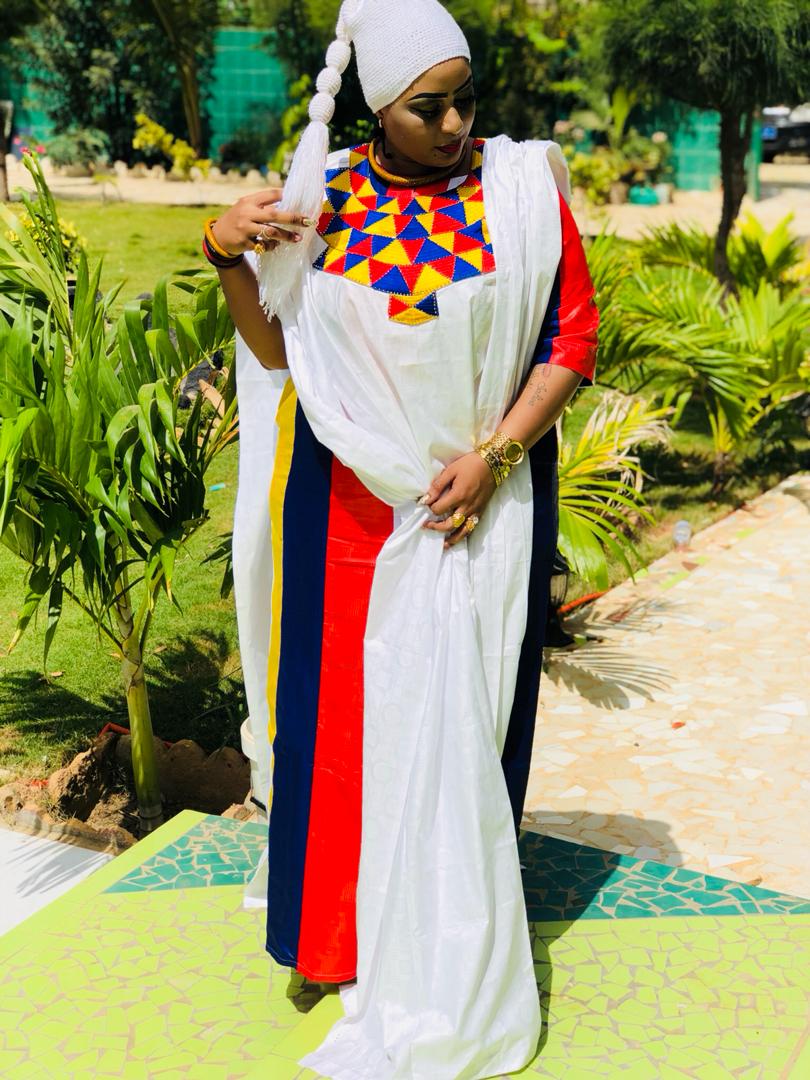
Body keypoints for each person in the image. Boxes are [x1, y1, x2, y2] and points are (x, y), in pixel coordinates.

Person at [203, 1, 598, 1075]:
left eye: (466, 98)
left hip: (478, 506)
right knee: (340, 730)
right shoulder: (321, 200)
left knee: (463, 718)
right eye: (431, 107)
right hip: (346, 511)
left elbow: (571, 338)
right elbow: (278, 353)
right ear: (378, 108)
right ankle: (338, 940)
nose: (458, 123)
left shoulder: (520, 190)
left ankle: (447, 935)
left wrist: (496, 459)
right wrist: (224, 253)